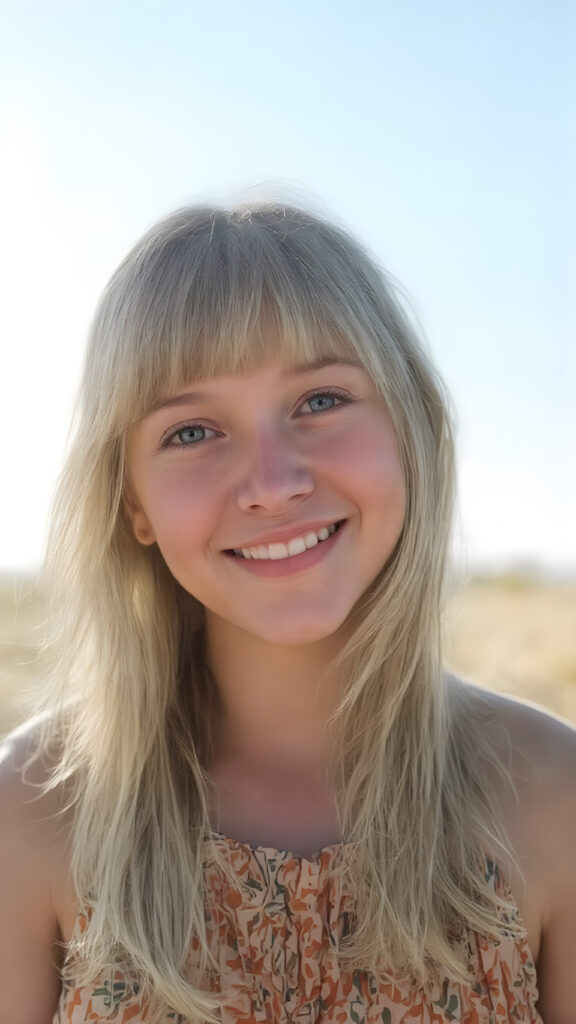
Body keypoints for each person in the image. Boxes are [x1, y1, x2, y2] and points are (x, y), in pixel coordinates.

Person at [0, 202, 574, 1024]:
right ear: (134, 504)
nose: (272, 481)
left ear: (409, 431)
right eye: (193, 430)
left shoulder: (555, 798)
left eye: (319, 401)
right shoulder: (30, 812)